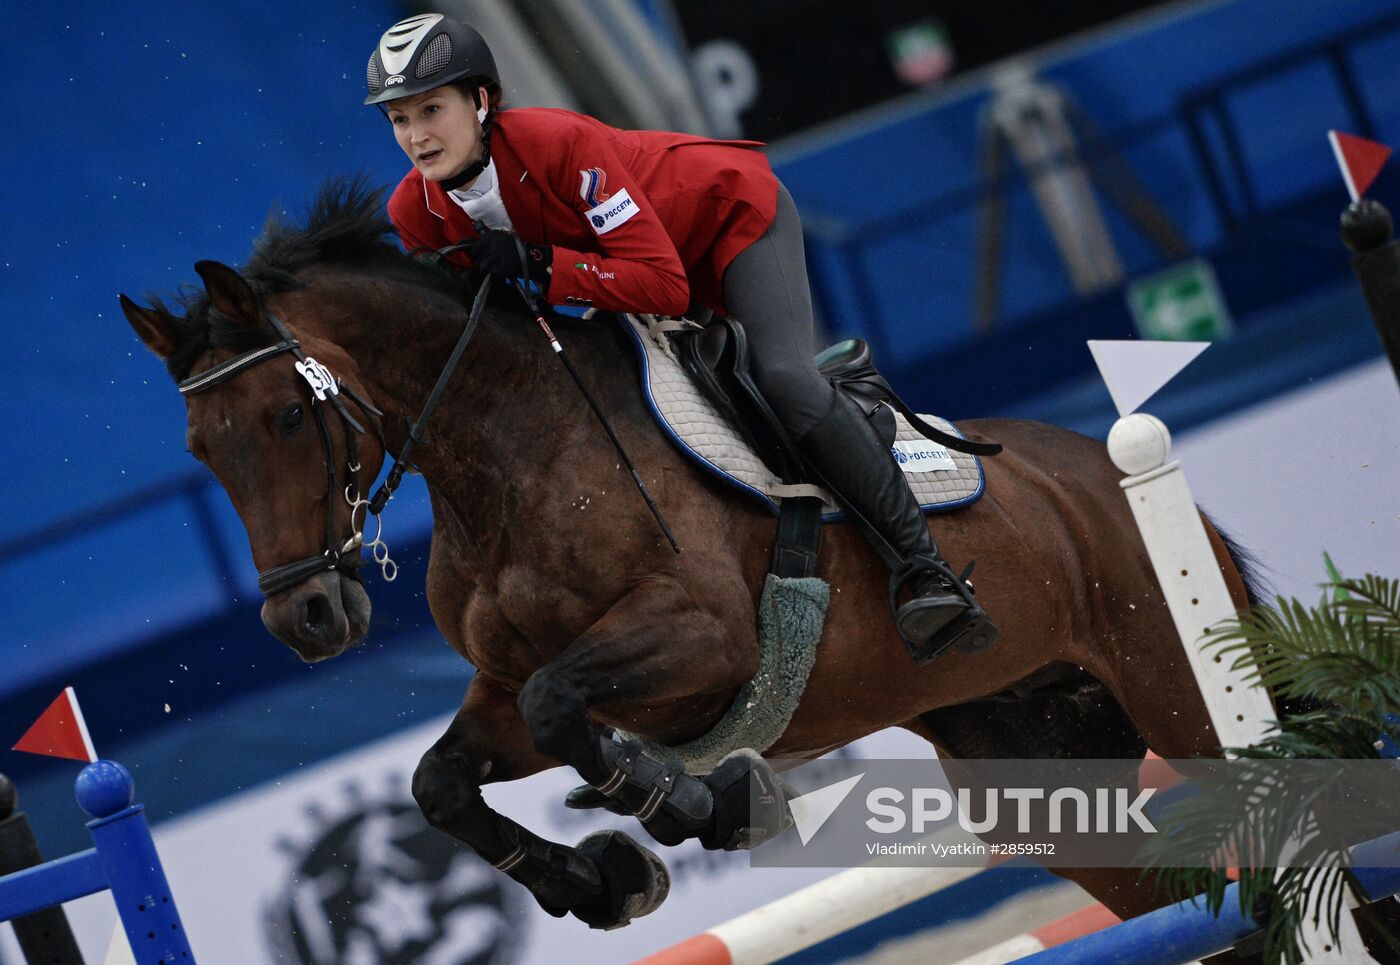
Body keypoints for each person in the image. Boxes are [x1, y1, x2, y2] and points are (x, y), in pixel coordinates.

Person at [365, 13, 996, 659]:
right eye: (399, 120)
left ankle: (925, 569)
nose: (416, 136)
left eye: (431, 110)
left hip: (728, 223)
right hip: (615, 280)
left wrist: (540, 263)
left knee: (781, 376)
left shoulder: (560, 144)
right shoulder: (413, 213)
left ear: (481, 100)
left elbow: (663, 285)